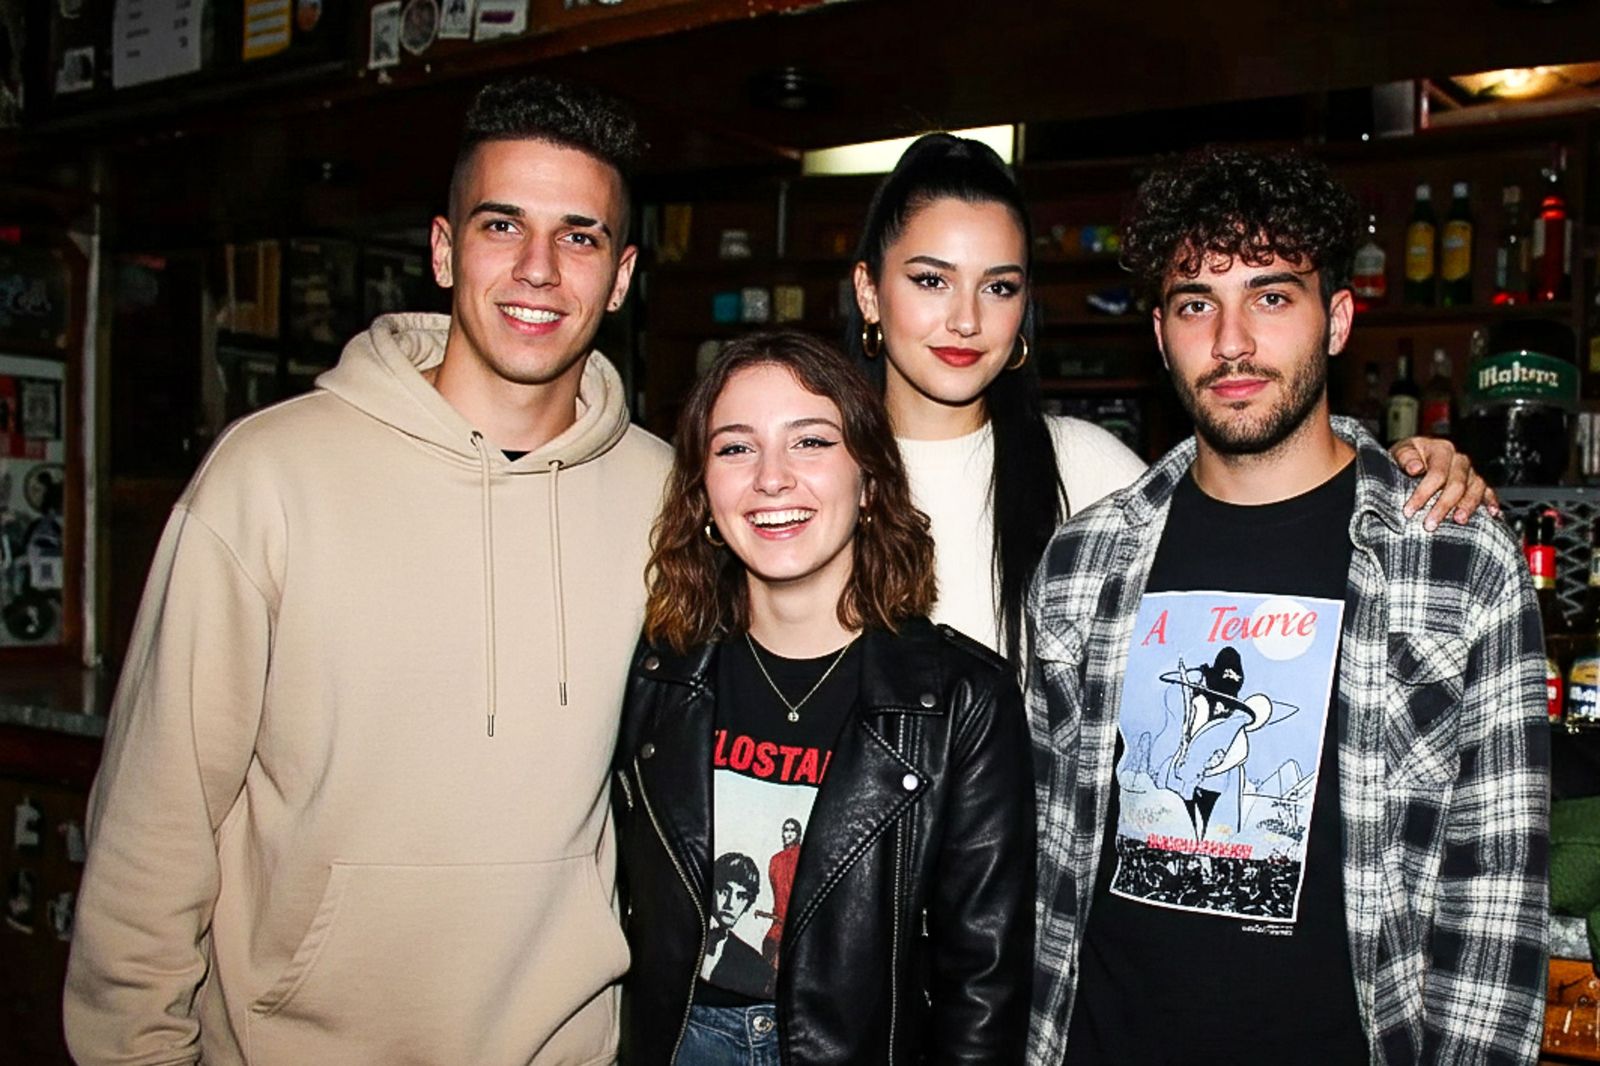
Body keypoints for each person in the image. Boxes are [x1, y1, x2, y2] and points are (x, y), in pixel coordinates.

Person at [64, 76, 670, 1065]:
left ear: (621, 274)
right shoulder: (267, 476)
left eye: (580, 236)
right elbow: (152, 830)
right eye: (501, 224)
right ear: (441, 248)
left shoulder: (666, 496)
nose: (538, 269)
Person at [1026, 146, 1549, 1066]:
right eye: (1197, 303)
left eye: (1271, 296)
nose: (1231, 343)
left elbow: (1495, 897)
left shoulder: (1456, 558)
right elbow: (1039, 859)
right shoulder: (1082, 561)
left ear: (1337, 319)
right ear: (1159, 333)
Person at [846, 133, 1496, 670]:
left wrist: (1402, 466)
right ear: (869, 292)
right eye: (931, 280)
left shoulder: (1086, 469)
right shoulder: (802, 467)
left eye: (999, 287)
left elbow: (1262, 505)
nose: (965, 320)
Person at [613, 330, 1033, 1064]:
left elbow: (985, 981)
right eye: (735, 448)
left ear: (869, 481)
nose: (772, 478)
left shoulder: (963, 700)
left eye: (809, 442)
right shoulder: (657, 676)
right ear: (704, 497)